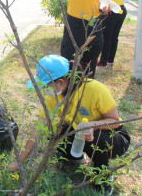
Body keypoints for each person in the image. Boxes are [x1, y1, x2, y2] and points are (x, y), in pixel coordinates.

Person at [8, 55, 131, 195]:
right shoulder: (55, 96)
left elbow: (116, 121)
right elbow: (38, 128)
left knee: (96, 137)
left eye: (46, 85)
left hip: (111, 134)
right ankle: (75, 157)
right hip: (79, 131)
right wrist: (20, 161)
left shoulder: (95, 90)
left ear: (60, 82)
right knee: (53, 130)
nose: (45, 89)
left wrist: (93, 125)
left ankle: (101, 173)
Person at [98, 0, 127, 67]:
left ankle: (103, 62)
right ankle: (110, 60)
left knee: (107, 37)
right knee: (114, 37)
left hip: (111, 11)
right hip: (121, 9)